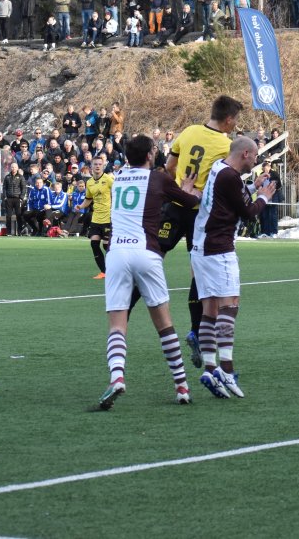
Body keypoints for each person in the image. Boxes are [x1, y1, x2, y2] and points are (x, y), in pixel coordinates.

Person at [97, 134, 202, 410]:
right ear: (148, 156)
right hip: (147, 253)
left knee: (117, 325)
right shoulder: (157, 179)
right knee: (164, 324)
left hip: (117, 254)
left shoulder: (117, 176)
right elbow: (190, 203)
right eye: (154, 150)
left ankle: (117, 377)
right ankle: (181, 385)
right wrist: (189, 189)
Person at [160, 95, 244, 366]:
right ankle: (196, 331)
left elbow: (170, 166)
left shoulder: (188, 132)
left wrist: (179, 187)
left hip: (174, 205)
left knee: (152, 255)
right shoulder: (225, 145)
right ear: (229, 119)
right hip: (199, 216)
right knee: (199, 273)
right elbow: (224, 181)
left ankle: (126, 305)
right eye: (236, 120)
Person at [191, 136, 277, 399]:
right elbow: (249, 212)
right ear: (246, 154)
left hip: (200, 247)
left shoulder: (219, 167)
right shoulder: (230, 176)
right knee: (230, 305)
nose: (256, 161)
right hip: (219, 248)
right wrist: (262, 195)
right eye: (255, 156)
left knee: (210, 309)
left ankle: (209, 367)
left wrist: (252, 186)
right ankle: (226, 370)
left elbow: (231, 197)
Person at [74, 154, 113, 279]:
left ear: (103, 166)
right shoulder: (89, 182)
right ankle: (104, 272)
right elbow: (88, 199)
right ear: (91, 166)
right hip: (96, 218)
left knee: (107, 246)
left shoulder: (108, 179)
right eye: (95, 164)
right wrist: (81, 206)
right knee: (94, 244)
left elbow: (118, 193)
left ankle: (116, 270)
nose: (97, 166)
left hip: (108, 217)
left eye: (99, 164)